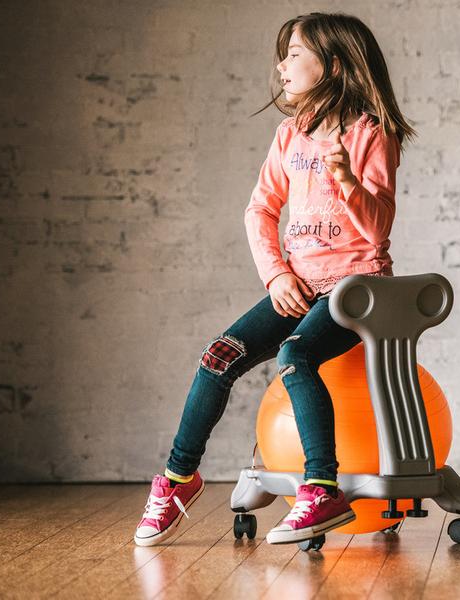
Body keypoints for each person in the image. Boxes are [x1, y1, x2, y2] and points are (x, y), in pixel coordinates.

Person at [134, 11, 417, 547]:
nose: (281, 66)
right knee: (218, 356)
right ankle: (176, 479)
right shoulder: (290, 133)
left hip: (357, 289)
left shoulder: (370, 133)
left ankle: (320, 488)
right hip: (301, 283)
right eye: (282, 54)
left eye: (293, 54)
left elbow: (378, 227)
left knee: (294, 356)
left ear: (331, 65)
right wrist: (275, 275)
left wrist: (347, 182)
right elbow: (259, 211)